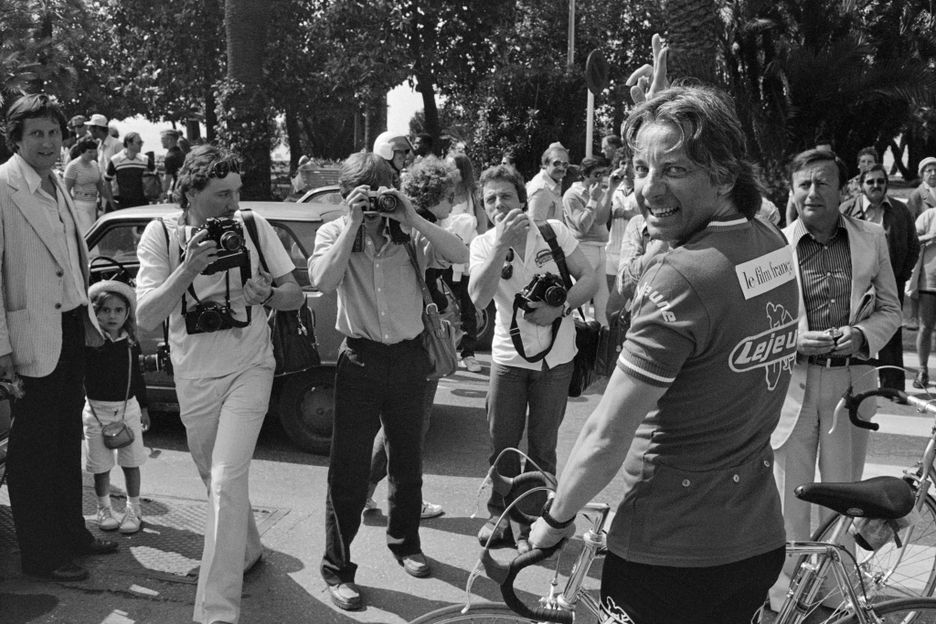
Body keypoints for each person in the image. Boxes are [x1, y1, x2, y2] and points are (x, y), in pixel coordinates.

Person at [529, 39, 801, 623]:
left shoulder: (680, 279)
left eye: (674, 169)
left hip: (669, 551)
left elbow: (606, 433)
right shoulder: (770, 242)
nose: (649, 187)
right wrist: (660, 110)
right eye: (641, 167)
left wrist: (554, 520)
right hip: (753, 539)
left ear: (724, 173)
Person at [136, 144, 304, 624]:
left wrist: (269, 292)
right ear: (189, 192)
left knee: (228, 480)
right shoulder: (160, 235)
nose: (233, 205)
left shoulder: (254, 226)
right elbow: (146, 317)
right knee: (215, 478)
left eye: (236, 192)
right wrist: (188, 267)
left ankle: (215, 612)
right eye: (220, 194)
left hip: (251, 367)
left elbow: (296, 295)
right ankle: (247, 548)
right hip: (193, 375)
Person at [308, 152, 468, 611]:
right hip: (360, 358)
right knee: (348, 469)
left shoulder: (410, 233)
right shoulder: (335, 232)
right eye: (363, 196)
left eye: (380, 194)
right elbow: (321, 281)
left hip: (409, 358)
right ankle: (337, 568)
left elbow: (460, 254)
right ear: (345, 197)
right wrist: (354, 224)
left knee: (408, 460)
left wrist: (412, 214)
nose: (374, 205)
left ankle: (406, 543)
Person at [770, 148, 900, 607]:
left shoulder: (872, 238)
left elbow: (891, 309)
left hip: (851, 384)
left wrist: (862, 335)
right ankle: (786, 591)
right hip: (795, 383)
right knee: (792, 493)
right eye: (803, 183)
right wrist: (793, 341)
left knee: (846, 491)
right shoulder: (774, 245)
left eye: (822, 183)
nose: (811, 192)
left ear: (842, 191)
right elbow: (758, 320)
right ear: (791, 190)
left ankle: (834, 589)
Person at [0, 93, 112, 583]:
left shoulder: (57, 183)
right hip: (28, 337)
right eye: (37, 134)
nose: (48, 142)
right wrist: (1, 348)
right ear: (17, 139)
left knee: (67, 439)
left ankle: (72, 533)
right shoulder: (4, 186)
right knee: (32, 451)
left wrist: (85, 315)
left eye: (54, 133)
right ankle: (42, 554)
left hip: (68, 324)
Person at [469, 164, 598, 553]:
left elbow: (589, 278)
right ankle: (499, 516)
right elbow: (478, 297)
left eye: (505, 196)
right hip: (508, 360)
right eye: (490, 199)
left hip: (556, 360)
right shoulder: (483, 244)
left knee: (543, 447)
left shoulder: (552, 232)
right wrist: (502, 245)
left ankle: (534, 520)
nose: (497, 204)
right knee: (502, 444)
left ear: (521, 198)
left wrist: (558, 310)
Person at [364, 156, 461, 521]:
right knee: (411, 427)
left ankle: (362, 491)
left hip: (411, 335)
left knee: (397, 427)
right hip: (418, 339)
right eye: (449, 196)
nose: (453, 204)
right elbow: (452, 261)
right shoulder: (420, 227)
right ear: (434, 195)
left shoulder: (407, 222)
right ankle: (405, 499)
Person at [840, 164, 919, 390]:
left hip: (891, 282)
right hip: (857, 284)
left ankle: (892, 388)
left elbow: (913, 246)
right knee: (855, 333)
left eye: (880, 181)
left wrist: (900, 276)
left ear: (886, 184)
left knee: (890, 333)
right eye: (871, 181)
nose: (876, 185)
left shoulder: (900, 211)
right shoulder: (846, 209)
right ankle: (853, 387)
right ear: (862, 185)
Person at [83, 280, 150, 535]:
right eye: (105, 310)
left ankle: (134, 508)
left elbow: (138, 378)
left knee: (131, 462)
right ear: (95, 312)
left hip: (126, 409)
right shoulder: (89, 342)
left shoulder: (130, 342)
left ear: (127, 313)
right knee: (100, 466)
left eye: (118, 310)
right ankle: (104, 508)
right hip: (95, 411)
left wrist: (144, 407)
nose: (112, 315)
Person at [562, 155, 621, 326]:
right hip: (583, 249)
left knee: (603, 303)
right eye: (597, 174)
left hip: (601, 249)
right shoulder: (572, 195)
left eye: (603, 173)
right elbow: (582, 226)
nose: (600, 178)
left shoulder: (598, 191)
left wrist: (609, 191)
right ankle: (580, 345)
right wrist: (593, 200)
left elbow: (602, 220)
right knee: (581, 305)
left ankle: (602, 344)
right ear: (585, 175)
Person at [445, 151, 488, 372]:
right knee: (445, 306)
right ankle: (445, 351)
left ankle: (468, 353)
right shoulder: (442, 193)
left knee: (468, 307)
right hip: (443, 259)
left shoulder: (473, 196)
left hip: (467, 259)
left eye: (453, 167)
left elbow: (482, 227)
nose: (450, 171)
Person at [64, 137, 112, 234]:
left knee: (94, 231)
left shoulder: (94, 164)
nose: (93, 155)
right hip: (80, 203)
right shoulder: (73, 166)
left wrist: (111, 200)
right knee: (87, 231)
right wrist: (71, 207)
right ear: (82, 152)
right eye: (89, 152)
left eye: (94, 152)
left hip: (93, 203)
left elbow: (100, 186)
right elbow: (67, 189)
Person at [911, 205, 936, 388]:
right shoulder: (929, 215)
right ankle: (922, 370)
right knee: (925, 327)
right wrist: (931, 237)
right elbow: (912, 240)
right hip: (929, 282)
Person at [105, 131, 155, 209]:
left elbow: (156, 178)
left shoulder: (145, 160)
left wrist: (156, 196)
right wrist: (111, 201)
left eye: (142, 142)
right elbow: (107, 181)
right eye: (139, 143)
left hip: (143, 204)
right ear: (129, 143)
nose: (141, 145)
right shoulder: (115, 160)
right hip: (123, 204)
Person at [526, 144, 570, 222]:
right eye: (557, 163)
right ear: (546, 163)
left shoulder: (554, 184)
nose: (561, 168)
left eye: (565, 165)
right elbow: (535, 224)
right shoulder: (541, 189)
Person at [87, 113, 122, 182]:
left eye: (90, 127)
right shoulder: (100, 146)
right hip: (106, 189)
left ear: (97, 128)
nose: (89, 129)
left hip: (116, 190)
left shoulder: (117, 145)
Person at [161, 128, 185, 201]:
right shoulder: (182, 153)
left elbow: (168, 178)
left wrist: (163, 193)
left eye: (163, 139)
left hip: (178, 190)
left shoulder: (170, 156)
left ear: (170, 140)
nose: (161, 141)